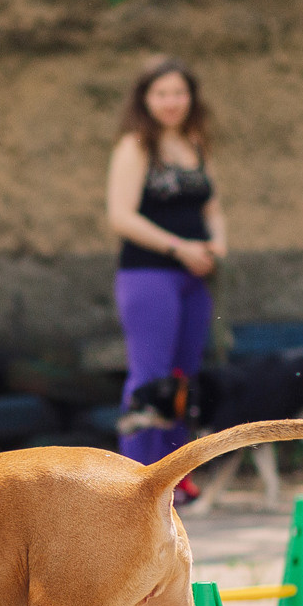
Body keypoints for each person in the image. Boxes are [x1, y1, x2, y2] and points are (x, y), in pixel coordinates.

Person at [107, 55, 227, 470]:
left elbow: (212, 207)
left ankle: (176, 477)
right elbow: (121, 216)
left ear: (191, 97)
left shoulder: (196, 143)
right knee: (150, 378)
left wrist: (216, 244)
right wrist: (180, 248)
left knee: (183, 379)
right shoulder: (135, 146)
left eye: (179, 92)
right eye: (161, 93)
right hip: (149, 276)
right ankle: (134, 479)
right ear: (145, 98)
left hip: (194, 277)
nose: (172, 101)